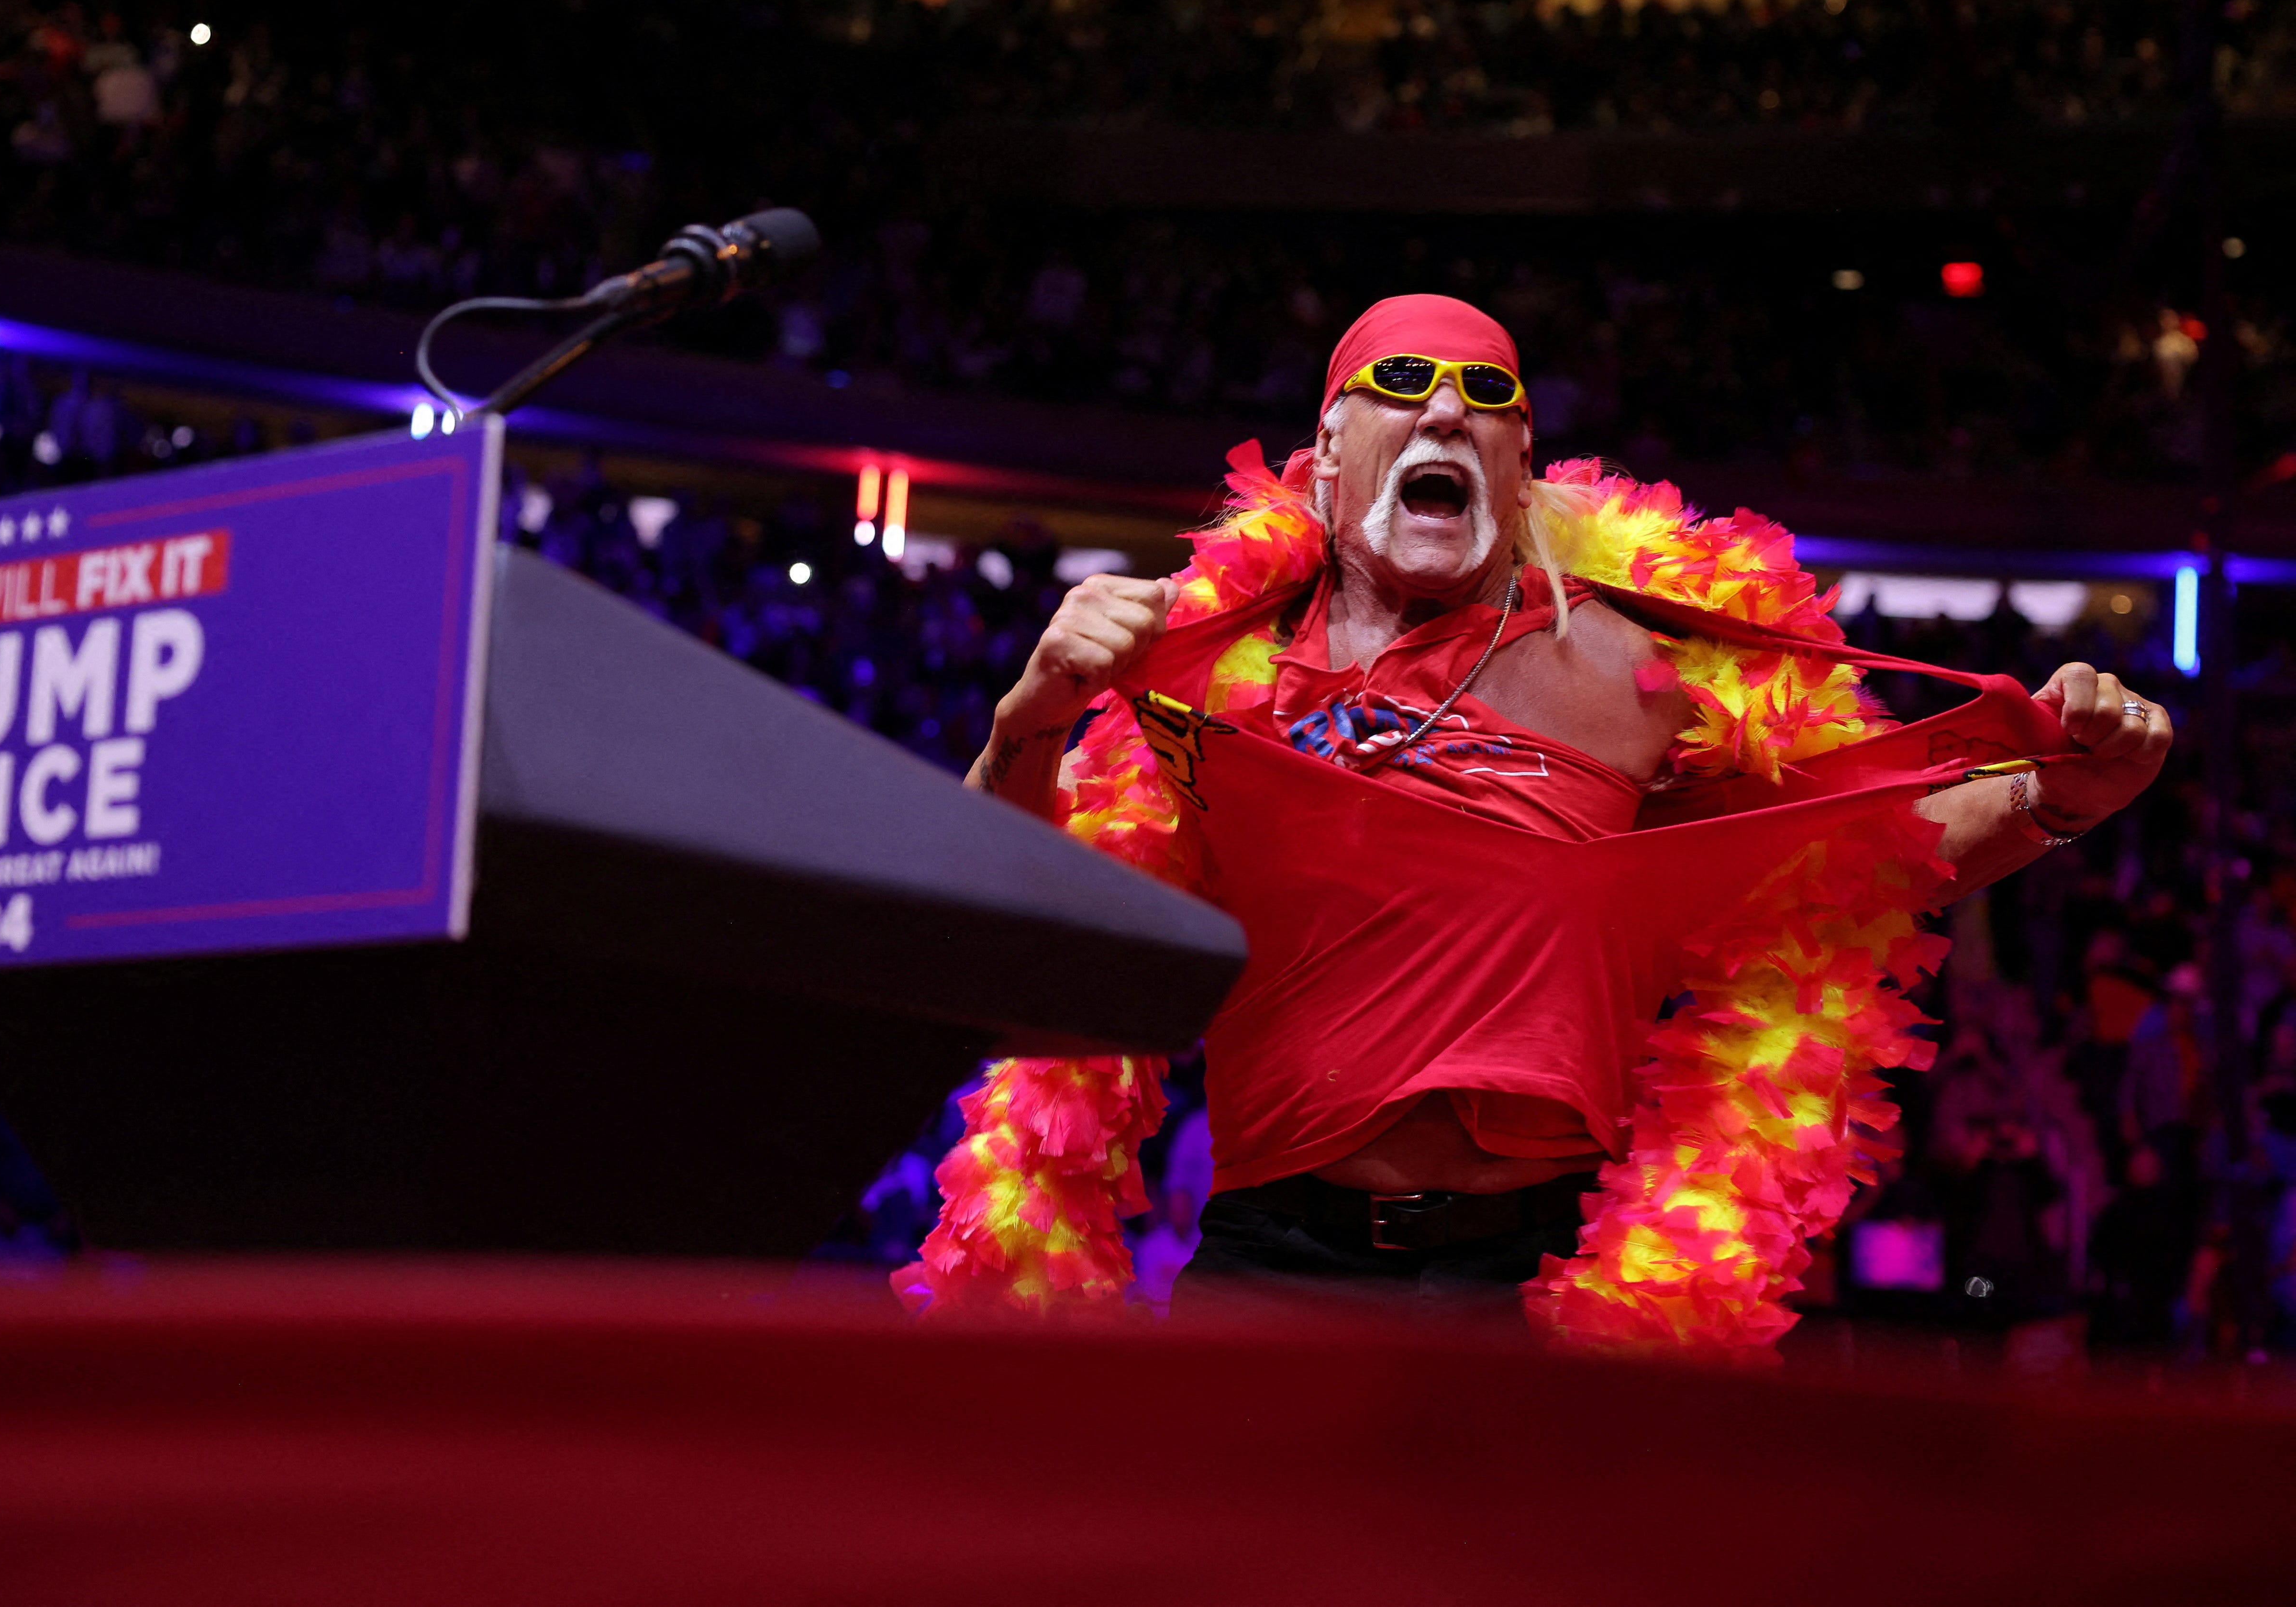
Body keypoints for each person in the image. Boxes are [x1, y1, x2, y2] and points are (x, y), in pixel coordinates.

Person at [923, 293, 2172, 1340]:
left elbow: (1846, 861)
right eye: (1400, 382)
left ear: (1520, 467)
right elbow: (1021, 914)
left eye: (1486, 394)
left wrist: (2056, 795)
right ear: (1328, 445)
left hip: (1540, 1265)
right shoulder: (1212, 670)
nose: (1448, 409)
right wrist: (1029, 719)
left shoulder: (1632, 668)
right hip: (1280, 1260)